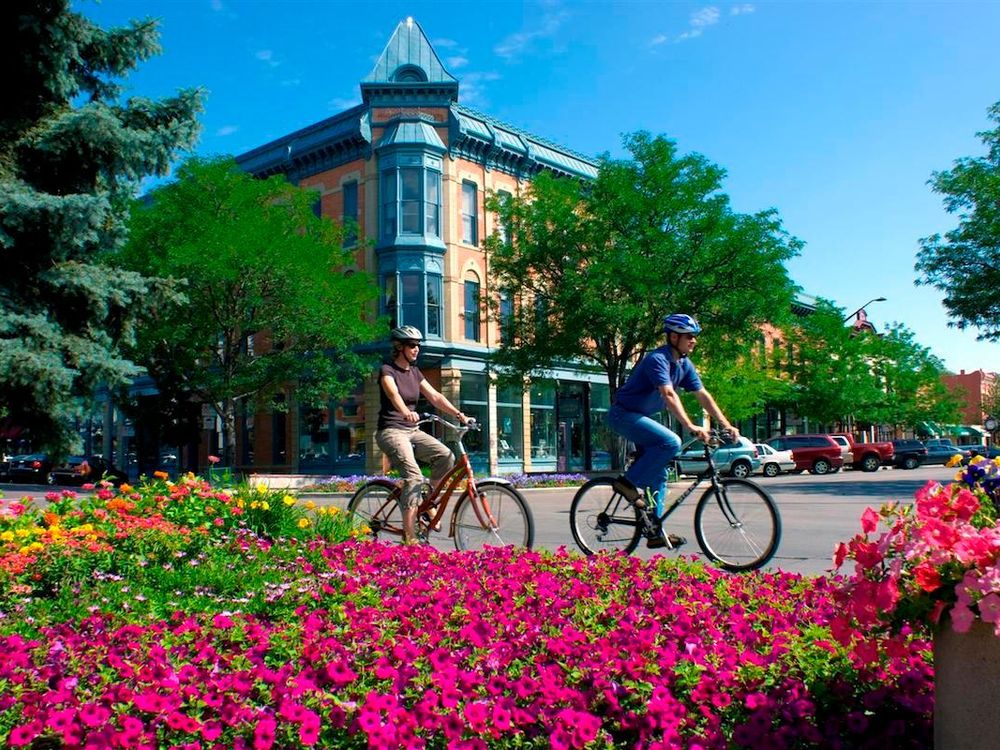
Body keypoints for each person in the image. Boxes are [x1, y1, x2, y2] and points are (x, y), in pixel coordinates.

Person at [607, 313, 739, 549]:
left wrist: (725, 423)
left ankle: (654, 530)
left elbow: (703, 395)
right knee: (671, 441)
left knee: (659, 474)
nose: (694, 341)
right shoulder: (657, 359)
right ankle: (627, 483)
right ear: (674, 336)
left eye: (695, 337)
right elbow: (668, 394)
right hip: (623, 415)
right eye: (690, 336)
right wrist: (689, 426)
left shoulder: (684, 365)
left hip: (640, 417)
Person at [376, 325, 468, 544]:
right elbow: (393, 393)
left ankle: (428, 503)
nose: (416, 349)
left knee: (446, 456)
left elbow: (435, 396)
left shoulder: (415, 372)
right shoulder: (387, 370)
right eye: (412, 345)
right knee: (414, 478)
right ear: (400, 347)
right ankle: (410, 538)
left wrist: (459, 414)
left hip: (412, 431)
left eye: (418, 345)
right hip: (391, 431)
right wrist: (406, 412)